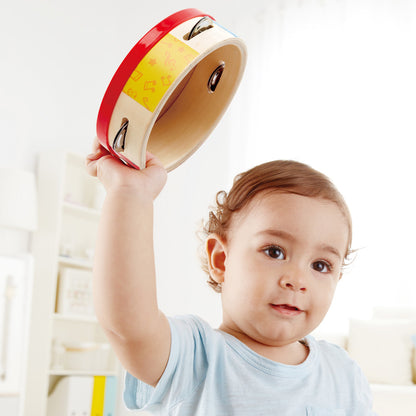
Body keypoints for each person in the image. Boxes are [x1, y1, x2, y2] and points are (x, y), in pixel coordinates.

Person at [86, 139, 376, 415]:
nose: (297, 280)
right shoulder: (196, 358)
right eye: (274, 252)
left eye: (321, 265)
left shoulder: (343, 374)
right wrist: (129, 193)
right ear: (221, 259)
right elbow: (130, 325)